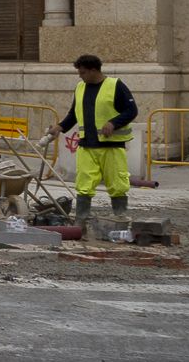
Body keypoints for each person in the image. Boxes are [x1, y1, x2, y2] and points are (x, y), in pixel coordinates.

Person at [49, 54, 137, 235]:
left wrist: (114, 123)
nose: (80, 76)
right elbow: (74, 113)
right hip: (87, 145)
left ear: (93, 70)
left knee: (117, 182)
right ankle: (81, 221)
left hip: (111, 146)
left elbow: (131, 110)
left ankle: (120, 217)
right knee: (84, 183)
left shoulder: (115, 86)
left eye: (82, 73)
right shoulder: (80, 87)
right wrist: (60, 127)